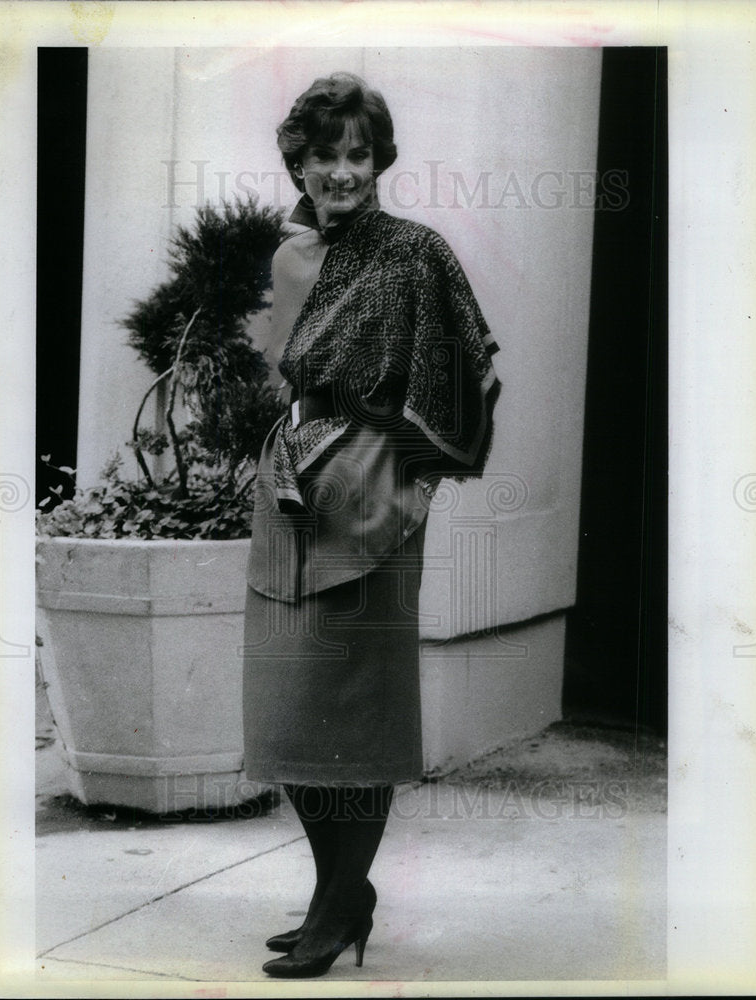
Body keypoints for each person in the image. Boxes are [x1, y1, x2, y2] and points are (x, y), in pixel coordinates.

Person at [242, 71, 500, 979]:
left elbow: (464, 377)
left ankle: (338, 902)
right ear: (299, 163)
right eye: (325, 155)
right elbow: (287, 371)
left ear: (379, 160)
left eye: (359, 154)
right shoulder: (289, 258)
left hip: (377, 500)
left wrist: (419, 488)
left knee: (356, 710)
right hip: (292, 495)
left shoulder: (414, 254)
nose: (343, 171)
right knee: (289, 712)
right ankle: (338, 893)